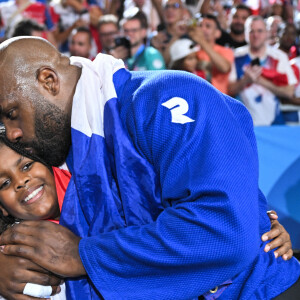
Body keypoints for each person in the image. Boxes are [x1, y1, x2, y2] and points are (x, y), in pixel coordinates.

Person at [0, 36, 299, 300]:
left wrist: (84, 255)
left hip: (259, 291)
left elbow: (224, 229)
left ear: (49, 81)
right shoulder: (62, 155)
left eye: (12, 113)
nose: (12, 133)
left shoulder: (164, 97)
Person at [0, 136, 70, 299]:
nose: (20, 181)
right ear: (2, 207)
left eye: (27, 166)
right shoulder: (13, 258)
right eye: (4, 183)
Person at [228, 15, 297, 126]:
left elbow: (289, 92)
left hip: (273, 123)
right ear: (245, 34)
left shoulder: (278, 57)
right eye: (251, 31)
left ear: (267, 33)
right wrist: (245, 80)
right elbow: (229, 90)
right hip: (243, 123)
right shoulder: (236, 56)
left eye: (260, 31)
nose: (256, 35)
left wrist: (261, 81)